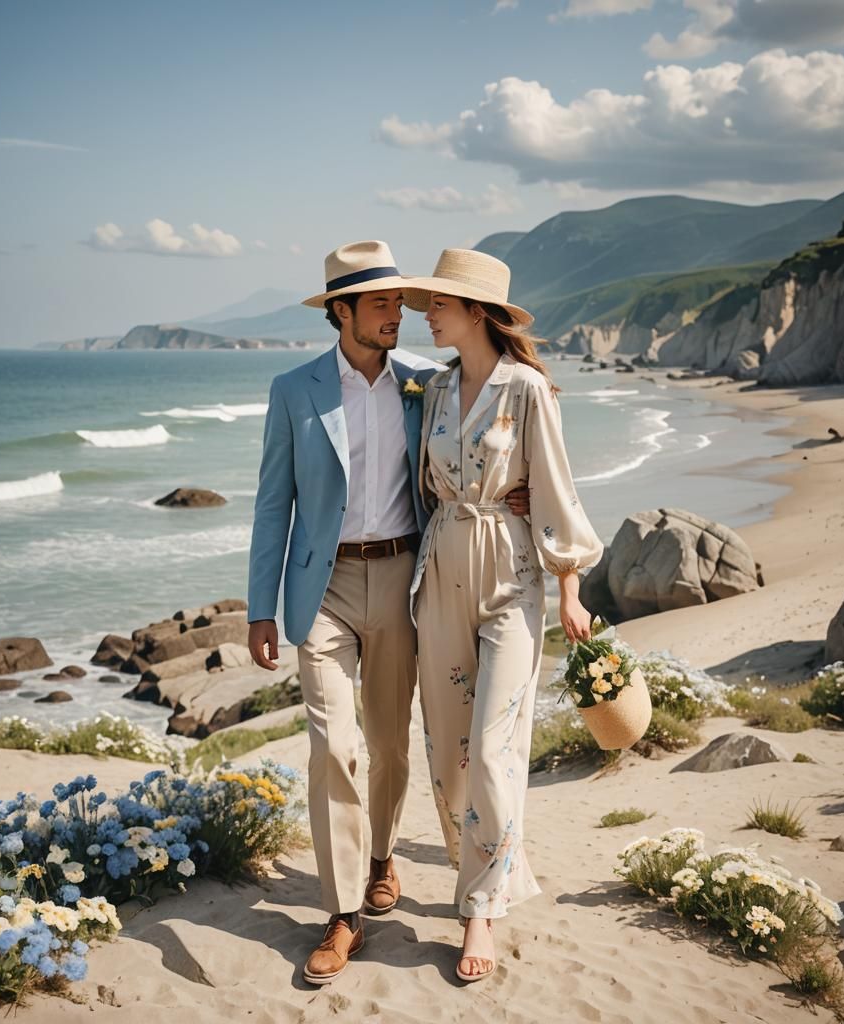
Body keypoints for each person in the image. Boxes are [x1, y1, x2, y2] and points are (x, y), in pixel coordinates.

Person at [246, 240, 529, 985]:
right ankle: (343, 914)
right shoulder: (294, 391)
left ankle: (381, 855)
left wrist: (514, 495)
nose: (395, 314)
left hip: (409, 579)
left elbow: (477, 442)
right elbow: (274, 503)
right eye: (379, 303)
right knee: (333, 745)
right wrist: (258, 608)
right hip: (324, 589)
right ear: (340, 312)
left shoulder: (423, 384)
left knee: (392, 746)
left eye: (400, 302)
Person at [403, 248, 604, 982]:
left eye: (441, 304)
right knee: (448, 748)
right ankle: (491, 856)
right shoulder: (434, 389)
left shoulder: (527, 390)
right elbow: (420, 486)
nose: (429, 314)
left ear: (478, 312)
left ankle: (479, 910)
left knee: (491, 748)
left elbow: (554, 485)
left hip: (511, 573)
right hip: (443, 562)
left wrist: (571, 587)